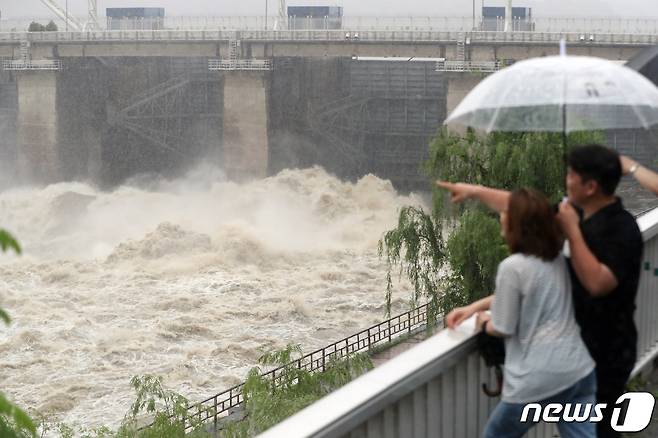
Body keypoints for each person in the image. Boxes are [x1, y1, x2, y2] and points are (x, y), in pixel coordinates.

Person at [439, 144, 644, 438]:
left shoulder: (621, 229)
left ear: (591, 186)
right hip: (576, 355)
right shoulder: (571, 213)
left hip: (606, 350)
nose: (566, 179)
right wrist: (474, 191)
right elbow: (525, 211)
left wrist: (572, 231)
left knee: (601, 430)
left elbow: (598, 284)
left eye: (572, 174)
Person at [447, 188, 596, 438]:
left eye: (507, 213)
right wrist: (474, 307)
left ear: (518, 225)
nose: (502, 216)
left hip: (538, 379)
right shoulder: (558, 257)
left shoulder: (512, 267)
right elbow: (526, 294)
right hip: (578, 372)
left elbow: (503, 326)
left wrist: (483, 323)